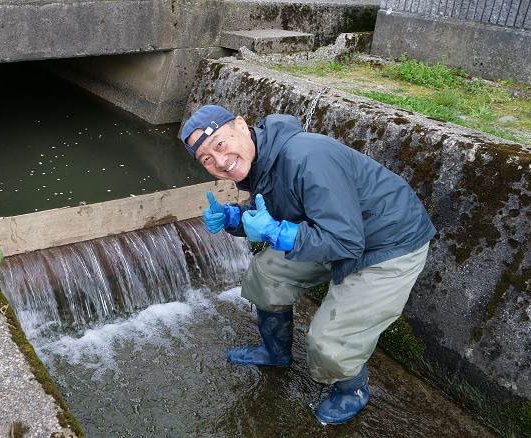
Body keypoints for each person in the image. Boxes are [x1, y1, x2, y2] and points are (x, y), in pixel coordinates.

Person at [180, 104, 436, 425]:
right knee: (266, 275)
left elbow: (345, 241)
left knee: (329, 343)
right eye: (206, 159)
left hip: (387, 244)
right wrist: (236, 218)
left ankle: (352, 389)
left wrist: (277, 232)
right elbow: (281, 209)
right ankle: (276, 352)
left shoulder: (305, 157)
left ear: (242, 126)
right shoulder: (262, 161)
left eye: (219, 144)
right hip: (336, 233)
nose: (219, 161)